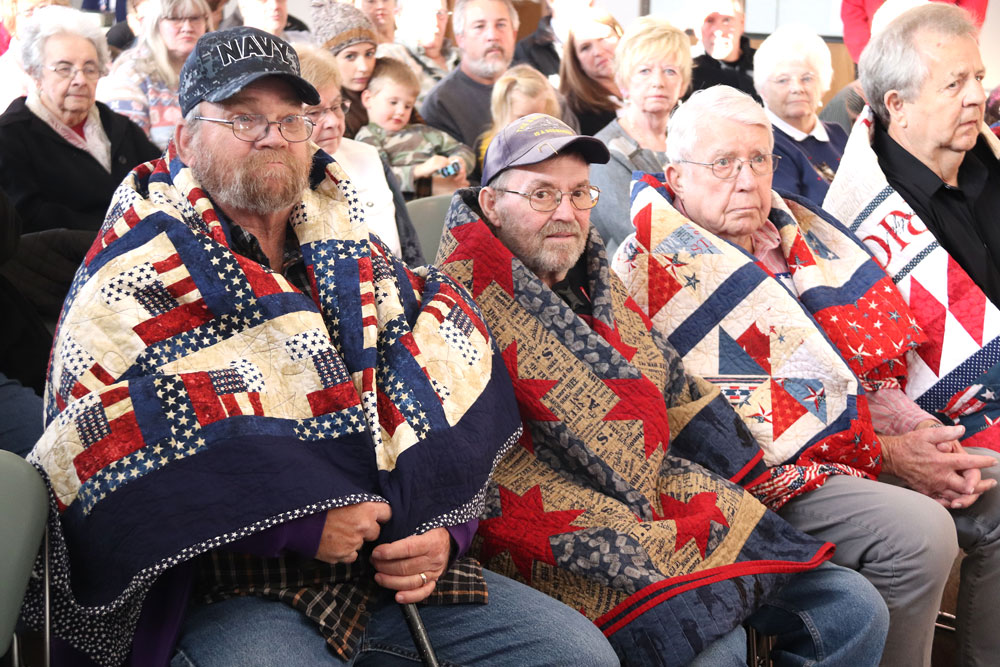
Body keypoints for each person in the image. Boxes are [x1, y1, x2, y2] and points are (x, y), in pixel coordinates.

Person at [22, 27, 620, 667]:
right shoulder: (142, 261)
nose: (274, 136)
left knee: (577, 654)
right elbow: (101, 452)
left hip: (386, 570)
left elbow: (432, 380)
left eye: (291, 119)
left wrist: (444, 529)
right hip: (229, 586)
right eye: (244, 119)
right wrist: (303, 522)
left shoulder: (345, 235)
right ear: (187, 136)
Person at [435, 111, 889, 666]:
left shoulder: (597, 284)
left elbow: (679, 387)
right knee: (715, 646)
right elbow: (472, 472)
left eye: (580, 194)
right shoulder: (445, 305)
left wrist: (750, 474)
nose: (565, 213)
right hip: (552, 528)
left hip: (666, 499)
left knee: (854, 606)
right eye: (541, 194)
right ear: (489, 204)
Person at [613, 84, 1000, 667]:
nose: (746, 180)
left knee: (995, 489)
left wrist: (925, 435)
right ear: (677, 175)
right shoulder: (656, 269)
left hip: (864, 434)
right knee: (921, 534)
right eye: (723, 163)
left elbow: (875, 356)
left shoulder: (798, 226)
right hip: (767, 477)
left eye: (759, 160)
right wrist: (892, 453)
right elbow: (738, 426)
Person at [825, 3, 1000, 456]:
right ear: (897, 106)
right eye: (954, 84)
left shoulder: (990, 164)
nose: (976, 97)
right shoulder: (862, 215)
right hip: (949, 433)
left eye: (978, 78)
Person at [0, 5, 160, 318]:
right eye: (63, 68)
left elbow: (160, 179)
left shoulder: (119, 127)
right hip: (62, 295)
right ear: (35, 72)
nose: (79, 79)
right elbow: (30, 222)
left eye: (89, 68)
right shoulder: (11, 138)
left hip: (141, 274)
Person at [296, 43, 425, 265]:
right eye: (315, 113)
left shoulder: (369, 156)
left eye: (336, 107)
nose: (333, 122)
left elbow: (410, 248)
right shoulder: (284, 176)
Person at [589, 16, 688, 257]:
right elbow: (637, 235)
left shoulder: (689, 143)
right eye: (644, 71)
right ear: (623, 83)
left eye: (670, 71)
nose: (658, 82)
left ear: (683, 83)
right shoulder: (605, 151)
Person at [752, 25, 848, 205]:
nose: (797, 88)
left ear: (823, 83)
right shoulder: (762, 142)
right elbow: (793, 215)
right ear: (763, 90)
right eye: (783, 80)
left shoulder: (837, 134)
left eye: (807, 78)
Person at [98, 0, 211, 150]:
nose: (187, 27)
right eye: (174, 18)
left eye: (195, 18)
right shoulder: (131, 75)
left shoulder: (217, 72)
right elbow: (130, 151)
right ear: (154, 23)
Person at [356, 57, 473, 199]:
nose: (401, 111)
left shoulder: (423, 132)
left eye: (408, 106)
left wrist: (459, 161)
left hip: (449, 200)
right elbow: (378, 178)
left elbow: (463, 149)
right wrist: (419, 171)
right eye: (393, 102)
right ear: (368, 99)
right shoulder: (368, 137)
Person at [419, 0, 519, 151]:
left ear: (514, 33)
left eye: (501, 25)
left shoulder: (537, 89)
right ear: (460, 39)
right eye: (479, 26)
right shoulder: (440, 105)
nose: (492, 36)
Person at [840, 0, 987, 62]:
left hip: (943, 56)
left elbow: (971, 12)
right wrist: (867, 56)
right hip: (877, 56)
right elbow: (853, 9)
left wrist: (952, 49)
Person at [312, 0, 377, 138]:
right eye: (350, 56)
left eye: (369, 54)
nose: (364, 67)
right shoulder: (321, 110)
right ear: (328, 60)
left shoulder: (387, 84)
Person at [477, 64, 561, 165]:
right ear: (502, 112)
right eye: (522, 119)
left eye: (539, 118)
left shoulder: (558, 148)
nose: (531, 126)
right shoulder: (488, 154)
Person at [557, 7, 622, 136]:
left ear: (620, 37)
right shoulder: (576, 110)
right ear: (576, 60)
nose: (598, 52)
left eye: (604, 38)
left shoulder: (649, 83)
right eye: (585, 48)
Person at [0, 0, 69, 111]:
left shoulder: (80, 62)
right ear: (13, 18)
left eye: (45, 9)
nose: (38, 19)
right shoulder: (4, 73)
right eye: (29, 12)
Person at [687, 0, 759, 101]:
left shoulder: (766, 66)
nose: (719, 31)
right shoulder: (686, 72)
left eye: (727, 20)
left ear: (742, 23)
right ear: (696, 27)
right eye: (709, 20)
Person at [392, 0, 460, 104]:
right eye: (424, 13)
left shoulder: (464, 56)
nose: (435, 22)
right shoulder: (392, 57)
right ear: (398, 17)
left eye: (440, 13)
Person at [219, 0, 311, 39]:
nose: (275, 6)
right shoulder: (226, 48)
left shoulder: (307, 42)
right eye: (263, 0)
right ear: (242, 5)